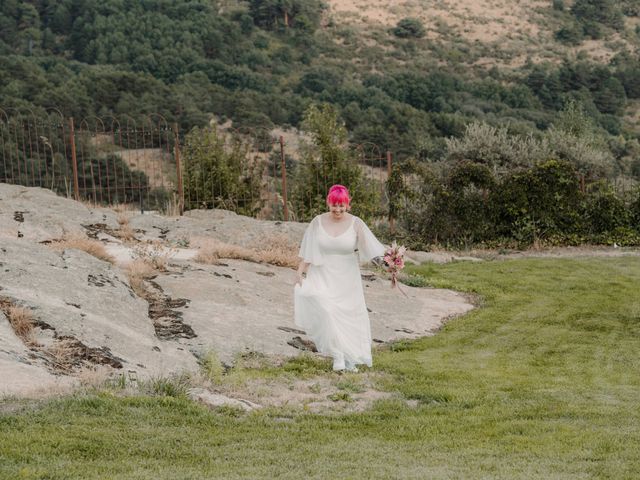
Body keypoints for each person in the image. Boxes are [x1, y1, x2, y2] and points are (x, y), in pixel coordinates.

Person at [294, 184, 386, 372]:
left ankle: (350, 357)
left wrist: (389, 264)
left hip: (347, 275)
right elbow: (309, 251)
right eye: (334, 205)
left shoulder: (356, 223)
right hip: (322, 271)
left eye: (341, 206)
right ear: (328, 203)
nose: (337, 210)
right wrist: (300, 271)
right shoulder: (317, 222)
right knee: (327, 311)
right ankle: (337, 354)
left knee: (348, 316)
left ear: (347, 205)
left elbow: (371, 250)